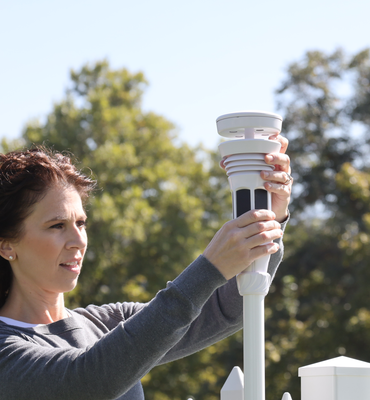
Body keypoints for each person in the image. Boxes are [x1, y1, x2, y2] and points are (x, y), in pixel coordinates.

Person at [0, 138, 292, 400]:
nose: (78, 240)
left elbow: (228, 307)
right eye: (56, 226)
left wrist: (270, 216)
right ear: (6, 246)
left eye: (81, 223)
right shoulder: (5, 349)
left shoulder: (108, 324)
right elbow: (89, 381)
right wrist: (210, 267)